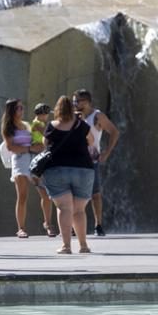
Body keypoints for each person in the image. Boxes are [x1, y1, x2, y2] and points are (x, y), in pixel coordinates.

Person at [42, 96, 95, 254]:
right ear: (73, 109)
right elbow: (91, 141)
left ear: (57, 110)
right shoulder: (82, 125)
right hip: (83, 169)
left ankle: (66, 246)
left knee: (64, 208)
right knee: (79, 210)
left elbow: (45, 144)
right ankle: (83, 245)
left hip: (57, 170)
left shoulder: (52, 126)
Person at [73, 89, 119, 236]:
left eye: (76, 101)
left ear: (86, 102)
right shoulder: (75, 116)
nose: (74, 104)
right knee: (74, 194)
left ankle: (98, 225)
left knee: (95, 193)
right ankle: (74, 227)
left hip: (91, 160)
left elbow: (114, 132)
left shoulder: (97, 116)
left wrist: (107, 152)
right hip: (74, 159)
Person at [1, 98, 43, 238]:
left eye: (22, 107)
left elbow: (36, 139)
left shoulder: (26, 125)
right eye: (19, 108)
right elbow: (10, 147)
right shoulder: (8, 127)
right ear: (12, 110)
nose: (22, 110)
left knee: (45, 191)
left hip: (32, 160)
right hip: (19, 161)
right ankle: (21, 228)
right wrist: (30, 148)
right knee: (23, 195)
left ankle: (48, 224)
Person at [31, 103, 58, 237]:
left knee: (47, 195)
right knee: (46, 195)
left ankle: (48, 223)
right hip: (40, 161)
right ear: (43, 114)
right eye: (47, 114)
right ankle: (48, 223)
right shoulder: (38, 125)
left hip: (42, 160)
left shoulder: (37, 124)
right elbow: (46, 139)